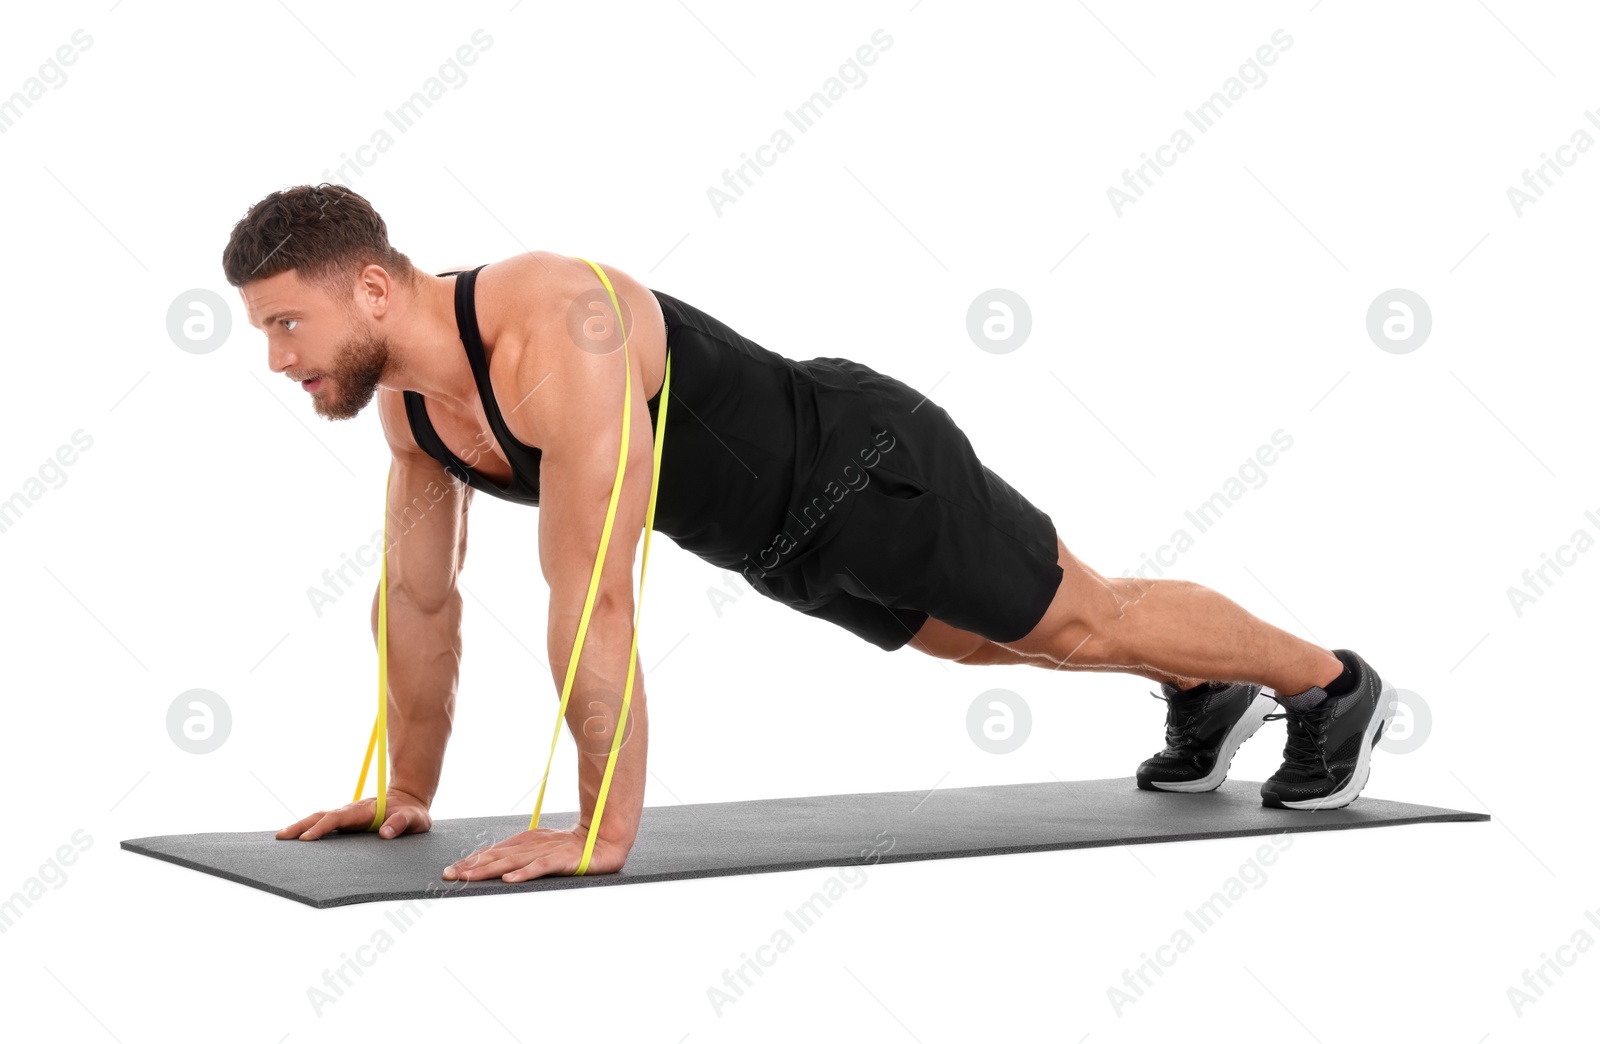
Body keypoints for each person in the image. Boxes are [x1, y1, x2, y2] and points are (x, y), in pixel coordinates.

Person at [224, 184, 1393, 884]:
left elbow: (596, 593)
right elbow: (421, 603)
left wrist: (603, 829)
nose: (278, 359)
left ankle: (1331, 685)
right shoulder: (414, 412)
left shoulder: (551, 319)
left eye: (288, 323)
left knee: (1081, 621)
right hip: (781, 542)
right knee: (993, 647)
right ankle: (1204, 689)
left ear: (372, 290)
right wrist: (406, 793)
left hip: (861, 470)